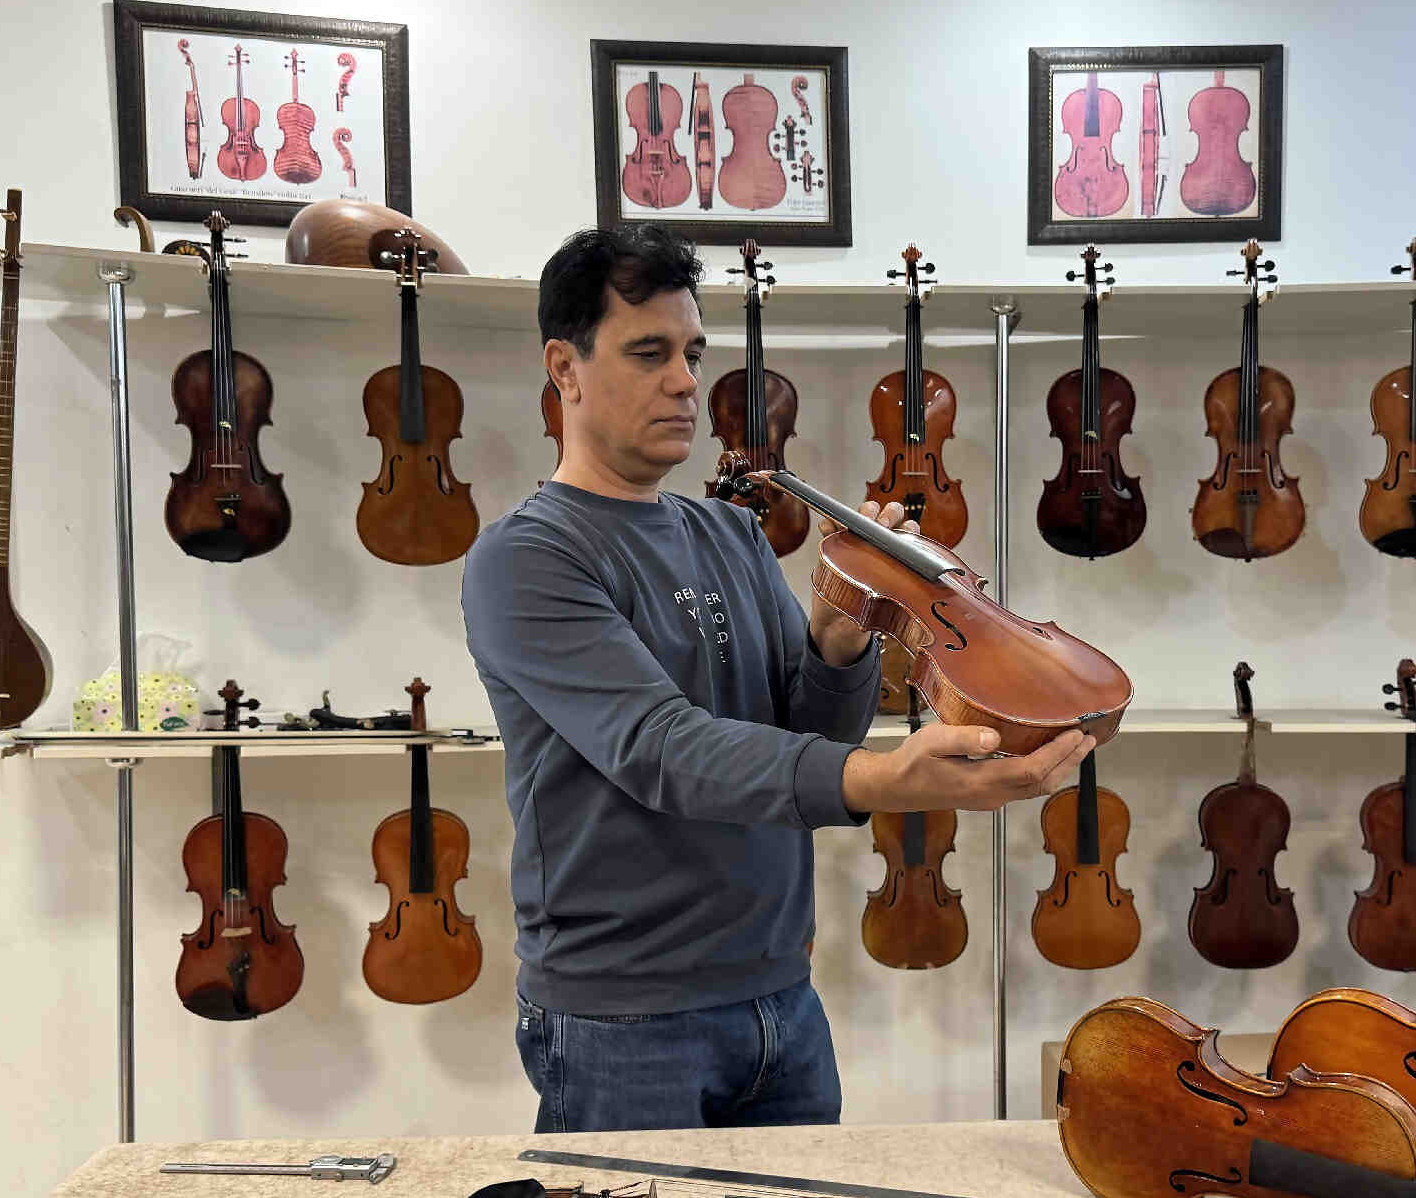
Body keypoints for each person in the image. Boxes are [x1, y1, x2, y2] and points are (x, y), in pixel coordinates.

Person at [461, 224, 1092, 1134]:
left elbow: (809, 741)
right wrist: (889, 781)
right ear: (566, 368)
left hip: (782, 1000)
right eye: (649, 353)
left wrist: (838, 643)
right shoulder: (528, 557)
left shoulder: (732, 532)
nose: (687, 382)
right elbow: (661, 750)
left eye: (691, 353)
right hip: (621, 1019)